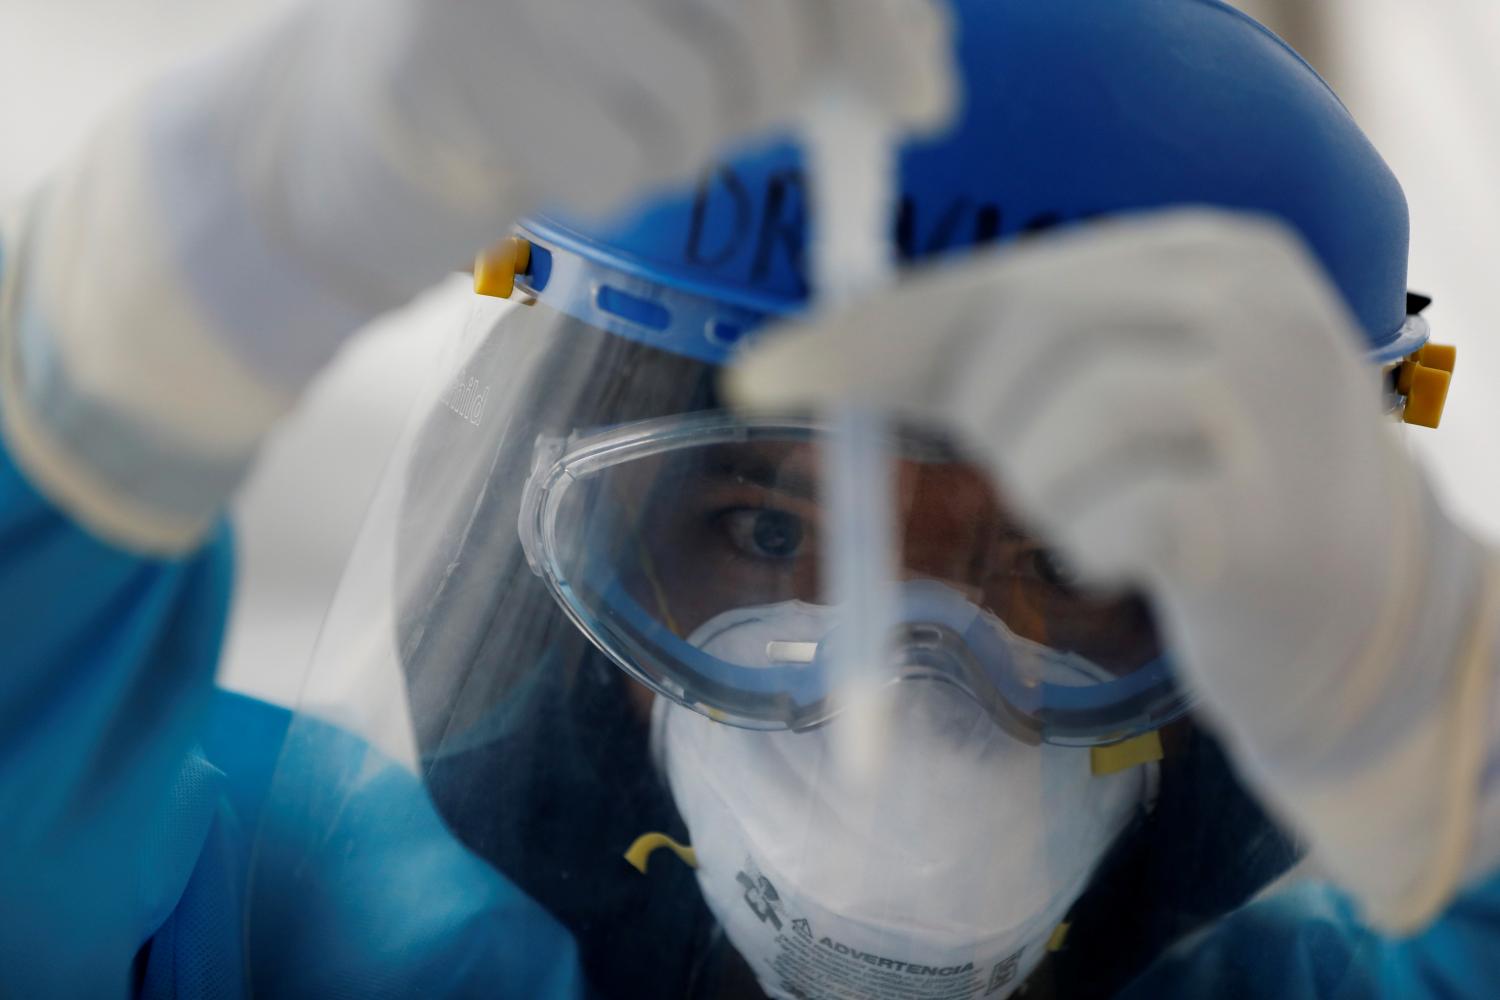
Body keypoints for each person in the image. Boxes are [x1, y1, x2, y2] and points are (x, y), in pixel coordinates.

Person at [2, 4, 1498, 1000]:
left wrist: (1469, 769)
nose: (903, 707)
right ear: (554, 594)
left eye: (1059, 556)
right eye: (772, 536)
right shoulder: (256, 934)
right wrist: (94, 377)